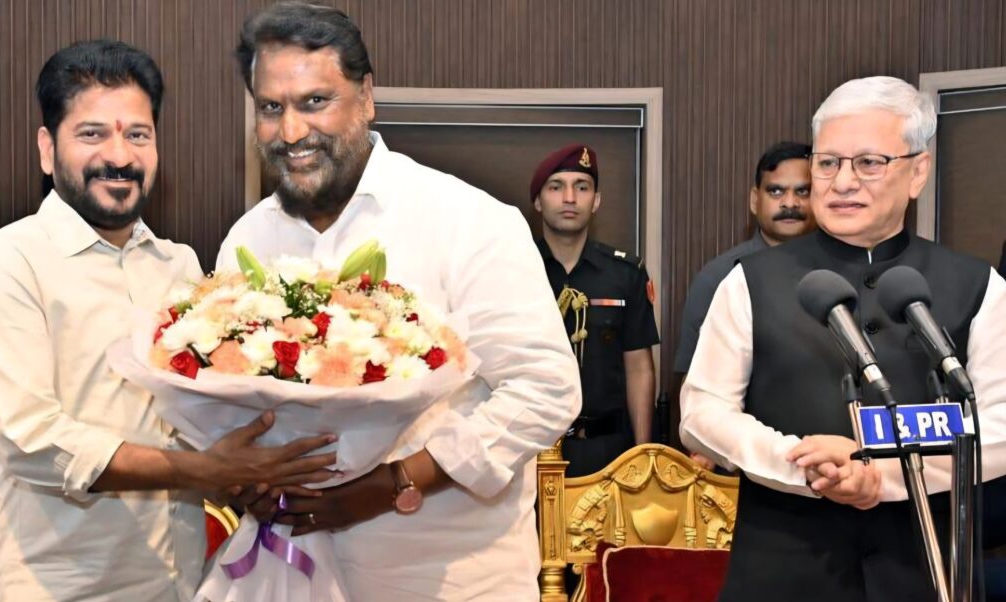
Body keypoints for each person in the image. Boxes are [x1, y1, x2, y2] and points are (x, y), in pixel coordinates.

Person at [216, 3, 581, 600]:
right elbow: (225, 402)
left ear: (366, 97)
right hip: (291, 573)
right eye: (270, 108)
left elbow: (545, 391)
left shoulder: (467, 219)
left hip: (449, 579)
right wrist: (243, 476)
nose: (291, 131)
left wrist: (393, 484)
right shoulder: (248, 239)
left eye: (315, 101)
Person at [0, 40, 338, 602]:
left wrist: (253, 473)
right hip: (65, 587)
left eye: (138, 135)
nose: (119, 156)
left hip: (181, 580)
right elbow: (31, 441)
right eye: (92, 134)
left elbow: (198, 420)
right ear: (47, 149)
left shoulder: (181, 266)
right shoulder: (10, 260)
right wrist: (200, 471)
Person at [680, 76, 1006, 601]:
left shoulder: (977, 285)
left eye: (869, 163)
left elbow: (999, 422)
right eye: (828, 163)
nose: (843, 182)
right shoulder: (749, 280)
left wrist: (886, 475)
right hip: (783, 569)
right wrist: (804, 465)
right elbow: (702, 411)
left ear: (918, 172)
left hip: (924, 570)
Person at [530, 143, 659, 477]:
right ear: (538, 201)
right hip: (529, 449)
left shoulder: (625, 274)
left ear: (596, 201)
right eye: (556, 187)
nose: (569, 198)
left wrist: (642, 454)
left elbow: (639, 368)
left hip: (607, 451)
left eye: (582, 187)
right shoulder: (516, 269)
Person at [673, 141, 814, 376]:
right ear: (754, 200)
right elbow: (693, 381)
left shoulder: (840, 271)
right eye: (776, 191)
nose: (790, 203)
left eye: (803, 191)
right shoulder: (720, 277)